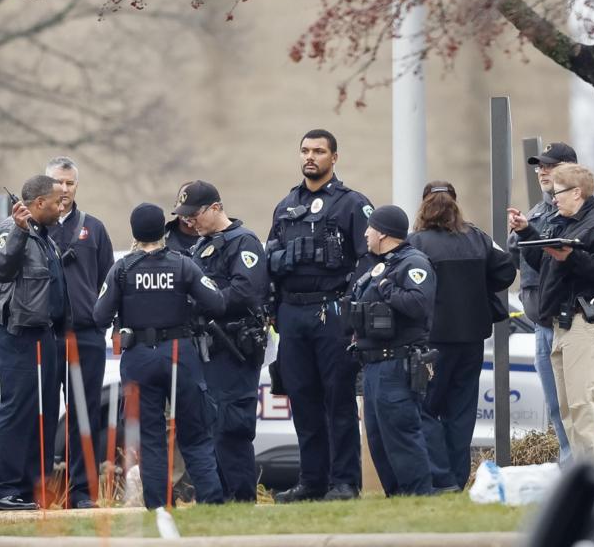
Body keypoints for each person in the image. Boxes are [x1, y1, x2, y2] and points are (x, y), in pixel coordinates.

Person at [93, 203, 226, 510]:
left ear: (134, 232)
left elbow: (99, 314)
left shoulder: (123, 269)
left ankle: (158, 507)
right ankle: (213, 502)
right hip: (180, 354)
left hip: (139, 357)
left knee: (151, 439)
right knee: (195, 435)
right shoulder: (183, 265)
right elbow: (216, 302)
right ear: (163, 230)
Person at [266, 129, 373, 503]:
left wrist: (350, 304)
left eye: (319, 151)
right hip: (292, 312)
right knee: (303, 399)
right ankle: (312, 481)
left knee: (338, 400)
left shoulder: (352, 204)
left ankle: (344, 482)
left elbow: (369, 259)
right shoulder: (285, 205)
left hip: (332, 311)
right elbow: (270, 259)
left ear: (334, 158)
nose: (310, 157)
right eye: (305, 151)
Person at [507, 142, 594, 464]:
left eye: (559, 188)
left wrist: (571, 257)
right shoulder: (557, 217)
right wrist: (528, 232)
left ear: (577, 190)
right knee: (566, 405)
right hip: (555, 320)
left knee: (586, 402)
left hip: (587, 317)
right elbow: (537, 260)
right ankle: (579, 475)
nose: (553, 195)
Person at [408, 182, 516, 491]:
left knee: (423, 408)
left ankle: (441, 477)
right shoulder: (478, 238)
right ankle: (455, 479)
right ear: (455, 204)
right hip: (471, 340)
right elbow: (505, 272)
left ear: (423, 205)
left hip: (430, 343)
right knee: (461, 412)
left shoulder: (415, 243)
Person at [175, 180, 270, 502]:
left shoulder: (242, 242)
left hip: (233, 348)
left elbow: (246, 291)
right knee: (211, 426)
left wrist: (205, 301)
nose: (189, 221)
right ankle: (218, 499)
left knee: (232, 427)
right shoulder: (199, 246)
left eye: (194, 214)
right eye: (184, 216)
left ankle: (241, 500)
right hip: (206, 349)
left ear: (215, 208)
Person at [0, 175, 68, 511]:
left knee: (44, 412)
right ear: (37, 204)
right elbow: (0, 271)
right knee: (17, 410)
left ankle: (35, 489)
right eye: (56, 202)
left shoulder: (44, 235)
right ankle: (1, 489)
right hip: (18, 334)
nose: (62, 208)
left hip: (43, 333)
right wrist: (19, 232)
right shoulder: (12, 230)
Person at [348, 205, 436, 496]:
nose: (365, 233)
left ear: (383, 232)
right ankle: (398, 499)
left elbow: (418, 304)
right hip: (373, 365)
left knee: (402, 438)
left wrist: (385, 286)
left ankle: (420, 500)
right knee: (378, 440)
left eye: (370, 228)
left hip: (397, 364)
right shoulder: (382, 263)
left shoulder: (413, 263)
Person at [44, 157, 115, 509]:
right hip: (44, 335)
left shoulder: (95, 229)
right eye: (58, 182)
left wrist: (101, 321)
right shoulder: (33, 228)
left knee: (83, 416)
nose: (65, 189)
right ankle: (36, 492)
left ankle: (82, 492)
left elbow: (108, 281)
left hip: (86, 336)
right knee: (41, 415)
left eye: (70, 183)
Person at [165, 182, 201, 254]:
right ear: (175, 205)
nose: (188, 211)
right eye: (183, 203)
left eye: (193, 204)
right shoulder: (161, 240)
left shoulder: (217, 239)